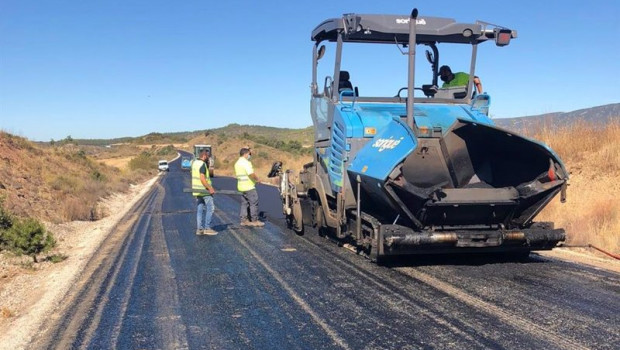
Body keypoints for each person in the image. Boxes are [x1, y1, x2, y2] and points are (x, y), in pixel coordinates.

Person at [234, 147, 264, 227]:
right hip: (249, 186)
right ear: (246, 154)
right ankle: (254, 220)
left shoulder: (237, 163)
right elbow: (251, 173)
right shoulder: (246, 163)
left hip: (241, 186)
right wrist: (257, 179)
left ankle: (243, 220)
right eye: (249, 154)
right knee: (254, 203)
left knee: (244, 203)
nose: (249, 155)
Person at [192, 149, 217, 235]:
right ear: (204, 156)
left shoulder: (194, 163)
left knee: (200, 210)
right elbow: (202, 178)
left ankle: (199, 229)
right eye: (207, 157)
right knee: (210, 208)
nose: (208, 159)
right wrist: (210, 188)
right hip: (204, 191)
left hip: (197, 191)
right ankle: (207, 228)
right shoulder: (202, 165)